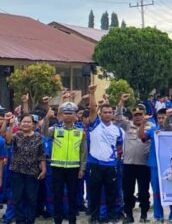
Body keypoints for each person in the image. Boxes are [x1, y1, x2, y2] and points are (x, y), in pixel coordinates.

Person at [41, 102, 87, 224]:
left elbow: (83, 151)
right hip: (57, 168)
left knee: (72, 196)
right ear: (61, 115)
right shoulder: (55, 129)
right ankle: (58, 220)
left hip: (74, 168)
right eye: (65, 113)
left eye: (70, 113)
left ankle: (72, 220)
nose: (68, 115)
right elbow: (44, 133)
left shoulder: (80, 131)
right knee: (57, 196)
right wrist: (46, 118)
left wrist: (82, 168)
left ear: (75, 115)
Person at [86, 84, 124, 224]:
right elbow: (92, 108)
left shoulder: (117, 130)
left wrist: (116, 161)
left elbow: (119, 147)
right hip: (95, 164)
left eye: (110, 112)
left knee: (111, 193)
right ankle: (94, 218)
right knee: (94, 193)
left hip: (111, 165)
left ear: (112, 114)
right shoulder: (94, 124)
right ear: (101, 114)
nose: (107, 114)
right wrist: (92, 93)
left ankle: (111, 217)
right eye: (105, 112)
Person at [115, 99, 153, 224]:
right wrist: (121, 102)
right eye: (135, 115)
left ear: (144, 114)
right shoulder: (127, 125)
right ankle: (129, 215)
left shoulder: (151, 126)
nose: (138, 117)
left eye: (140, 114)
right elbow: (118, 117)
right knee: (128, 191)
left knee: (144, 192)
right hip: (128, 164)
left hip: (143, 164)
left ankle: (144, 214)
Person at [4, 111, 46, 224]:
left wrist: (44, 169)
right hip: (16, 172)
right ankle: (20, 220)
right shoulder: (16, 135)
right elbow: (8, 141)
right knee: (17, 198)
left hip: (32, 173)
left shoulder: (38, 137)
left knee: (32, 199)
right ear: (20, 123)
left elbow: (41, 155)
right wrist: (10, 125)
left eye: (28, 122)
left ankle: (30, 220)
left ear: (33, 124)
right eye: (24, 121)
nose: (26, 124)